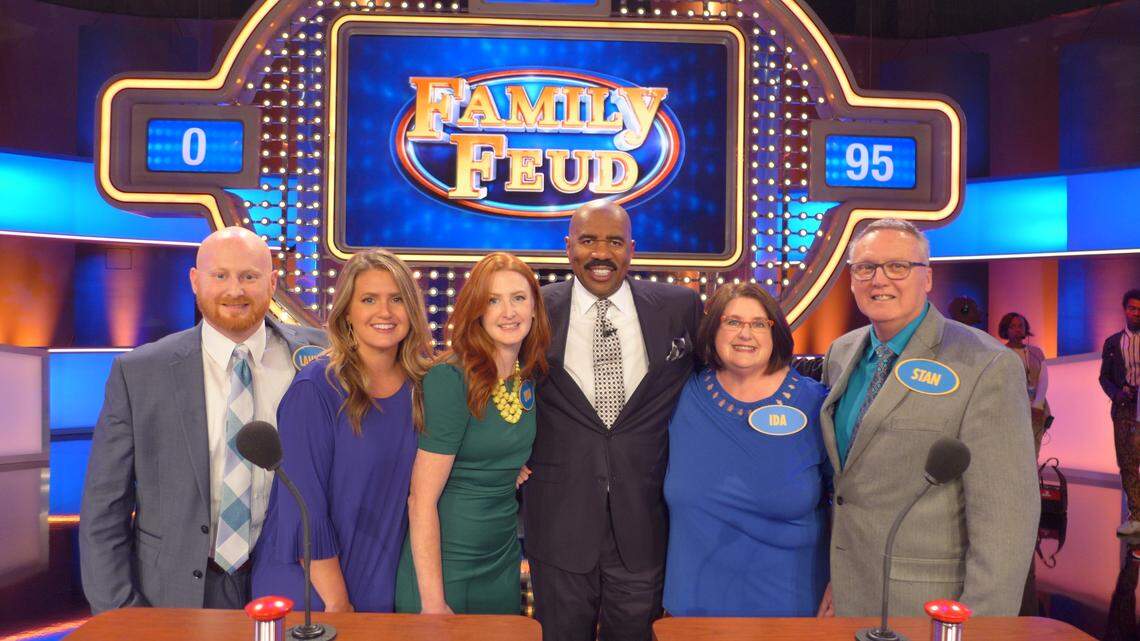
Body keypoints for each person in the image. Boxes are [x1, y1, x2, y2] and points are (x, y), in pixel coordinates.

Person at [79, 227, 326, 612]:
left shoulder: (320, 358)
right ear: (195, 281)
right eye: (220, 275)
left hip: (294, 584)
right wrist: (120, 614)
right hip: (171, 594)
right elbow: (104, 507)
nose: (235, 290)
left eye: (249, 276)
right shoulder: (140, 372)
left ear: (273, 282)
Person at [819, 218, 1039, 616]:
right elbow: (848, 488)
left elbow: (1007, 519)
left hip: (928, 609)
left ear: (928, 278)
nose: (879, 279)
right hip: (847, 599)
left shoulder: (986, 365)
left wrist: (980, 628)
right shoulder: (841, 353)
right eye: (865, 268)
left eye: (898, 266)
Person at [522, 201, 703, 641]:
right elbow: (494, 384)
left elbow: (714, 389)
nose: (600, 253)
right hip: (558, 524)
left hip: (645, 522)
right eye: (588, 241)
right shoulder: (533, 311)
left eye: (614, 242)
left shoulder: (680, 308)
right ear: (568, 248)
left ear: (631, 250)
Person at [251, 249, 433, 612]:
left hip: (382, 585)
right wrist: (339, 605)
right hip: (311, 592)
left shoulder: (425, 388)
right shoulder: (316, 388)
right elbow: (305, 512)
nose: (385, 312)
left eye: (397, 299)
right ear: (347, 312)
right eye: (369, 299)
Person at [395, 252, 551, 614]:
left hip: (501, 561)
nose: (508, 312)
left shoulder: (527, 377)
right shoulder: (450, 379)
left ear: (534, 308)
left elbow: (497, 444)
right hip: (447, 567)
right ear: (477, 310)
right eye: (492, 300)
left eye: (518, 298)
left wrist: (510, 465)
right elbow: (420, 501)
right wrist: (433, 602)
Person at [663, 283, 830, 617]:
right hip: (692, 605)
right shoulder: (681, 391)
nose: (745, 334)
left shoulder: (815, 403)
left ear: (776, 332)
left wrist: (843, 582)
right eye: (733, 322)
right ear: (713, 330)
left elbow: (847, 500)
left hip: (791, 604)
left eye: (758, 323)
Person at [1100, 289, 1140, 536]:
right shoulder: (1113, 342)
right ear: (1125, 310)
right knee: (1127, 462)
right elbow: (1104, 377)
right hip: (1124, 407)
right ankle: (1136, 515)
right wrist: (1117, 394)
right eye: (1133, 308)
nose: (1137, 313)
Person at [998, 312, 1051, 454]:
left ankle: (1032, 476)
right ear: (1005, 330)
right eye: (1012, 326)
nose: (1017, 329)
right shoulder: (1000, 352)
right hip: (1012, 410)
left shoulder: (1036, 352)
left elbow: (1043, 379)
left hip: (1037, 409)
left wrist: (1038, 403)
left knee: (1033, 451)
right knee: (1013, 451)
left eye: (1020, 326)